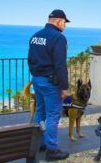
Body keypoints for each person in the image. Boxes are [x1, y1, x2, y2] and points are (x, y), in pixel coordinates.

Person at [28, 9, 70, 160]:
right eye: (64, 23)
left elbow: (30, 59)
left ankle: (38, 143)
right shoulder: (59, 38)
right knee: (53, 115)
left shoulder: (35, 36)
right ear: (59, 21)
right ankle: (52, 150)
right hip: (51, 82)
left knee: (40, 112)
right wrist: (64, 87)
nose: (64, 26)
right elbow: (60, 64)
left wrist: (35, 75)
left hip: (37, 79)